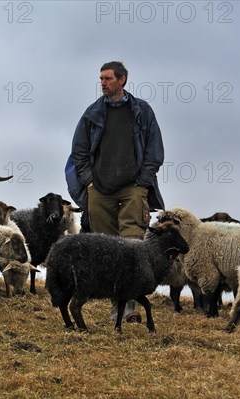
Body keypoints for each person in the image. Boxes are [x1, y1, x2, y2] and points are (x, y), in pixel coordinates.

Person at [65, 61, 165, 322]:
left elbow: (154, 149)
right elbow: (79, 151)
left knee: (132, 243)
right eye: (100, 79)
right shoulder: (93, 113)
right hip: (99, 188)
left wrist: (144, 181)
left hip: (133, 187)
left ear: (122, 80)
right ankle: (116, 305)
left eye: (108, 78)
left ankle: (127, 308)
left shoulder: (141, 111)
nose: (103, 83)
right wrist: (88, 179)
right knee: (105, 246)